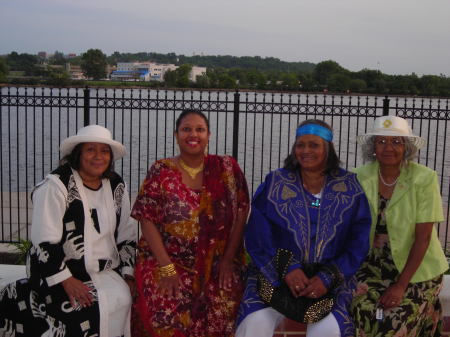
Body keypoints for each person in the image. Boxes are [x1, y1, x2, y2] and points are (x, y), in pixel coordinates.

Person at [236, 119, 372, 337]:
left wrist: (327, 278)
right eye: (300, 144)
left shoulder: (350, 187)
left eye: (314, 145)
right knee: (255, 321)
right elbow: (258, 235)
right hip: (276, 274)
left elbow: (358, 242)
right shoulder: (275, 183)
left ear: (328, 149)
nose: (306, 151)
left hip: (331, 280)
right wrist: (288, 269)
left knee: (329, 329)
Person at [0, 125, 137, 337]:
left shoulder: (115, 184)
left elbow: (127, 234)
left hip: (105, 271)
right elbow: (44, 241)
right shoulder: (56, 186)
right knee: (80, 312)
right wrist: (66, 279)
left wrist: (128, 275)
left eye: (104, 151)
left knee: (124, 300)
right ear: (78, 154)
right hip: (59, 271)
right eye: (90, 149)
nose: (98, 156)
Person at [130, 109, 250, 336]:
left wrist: (227, 261)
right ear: (176, 135)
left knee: (224, 309)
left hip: (216, 264)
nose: (193, 134)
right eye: (186, 129)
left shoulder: (227, 169)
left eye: (199, 129)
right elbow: (147, 218)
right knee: (165, 311)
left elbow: (242, 212)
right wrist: (166, 267)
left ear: (209, 135)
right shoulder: (161, 171)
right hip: (168, 260)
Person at [351, 115, 449, 336]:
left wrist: (400, 285)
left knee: (393, 321)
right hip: (372, 266)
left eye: (396, 142)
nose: (388, 148)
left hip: (417, 271)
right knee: (362, 310)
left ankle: (423, 315)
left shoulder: (424, 178)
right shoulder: (358, 176)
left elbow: (423, 239)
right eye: (381, 141)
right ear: (373, 146)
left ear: (406, 147)